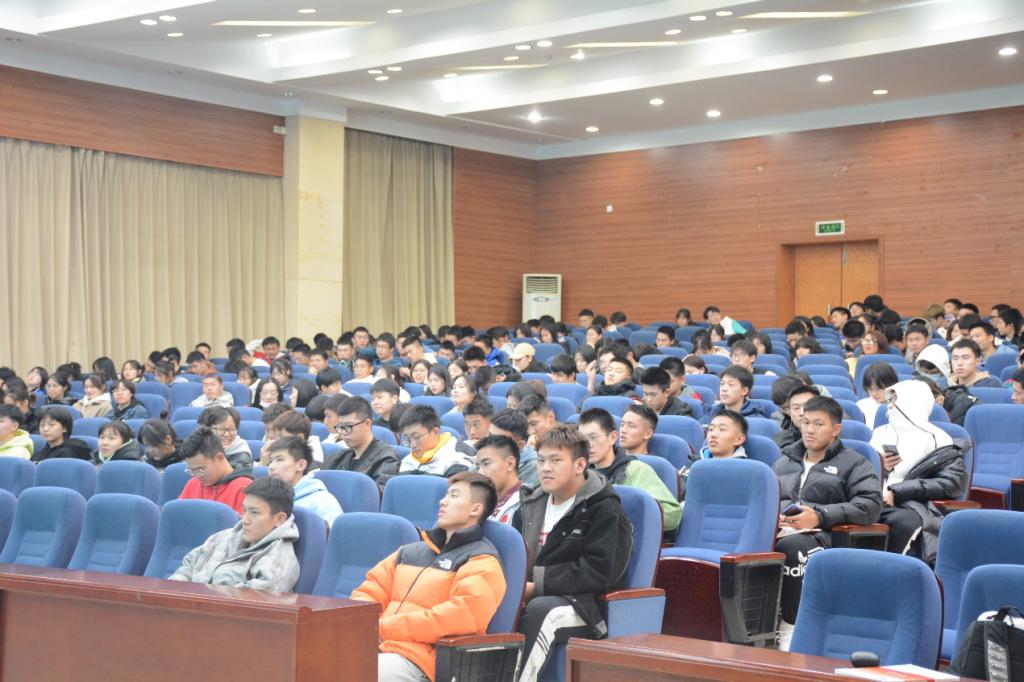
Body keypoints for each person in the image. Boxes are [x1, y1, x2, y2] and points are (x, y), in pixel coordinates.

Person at [352, 472, 505, 682]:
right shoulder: (408, 552)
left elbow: (458, 617)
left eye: (454, 495)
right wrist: (364, 626)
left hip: (424, 661)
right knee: (315, 659)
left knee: (355, 673)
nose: (443, 501)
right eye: (446, 495)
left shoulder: (482, 561)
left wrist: (384, 628)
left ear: (475, 509)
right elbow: (369, 591)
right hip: (374, 646)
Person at [513, 425, 633, 682]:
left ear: (580, 465)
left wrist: (536, 586)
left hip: (582, 603)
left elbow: (598, 571)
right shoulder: (529, 505)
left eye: (556, 460)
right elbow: (514, 557)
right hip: (529, 592)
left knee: (542, 611)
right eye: (541, 460)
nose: (545, 468)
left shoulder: (603, 508)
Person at [773, 397, 881, 646]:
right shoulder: (784, 461)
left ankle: (791, 627)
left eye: (818, 424)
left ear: (836, 429)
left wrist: (820, 515)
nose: (810, 430)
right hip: (780, 530)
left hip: (826, 535)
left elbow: (871, 505)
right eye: (806, 422)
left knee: (792, 548)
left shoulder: (854, 463)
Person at [869, 380, 966, 563]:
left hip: (910, 503)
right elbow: (861, 470)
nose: (889, 406)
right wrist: (881, 467)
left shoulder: (938, 438)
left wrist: (897, 492)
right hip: (871, 499)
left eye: (895, 400)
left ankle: (891, 570)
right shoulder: (880, 433)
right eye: (889, 400)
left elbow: (951, 482)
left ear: (913, 402)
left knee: (906, 522)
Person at [170, 477, 299, 592]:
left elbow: (250, 601)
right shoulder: (224, 536)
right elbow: (189, 564)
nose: (245, 520)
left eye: (254, 513)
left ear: (279, 519)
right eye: (244, 510)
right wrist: (175, 590)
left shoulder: (279, 560)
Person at [577, 406, 681, 530]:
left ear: (613, 437)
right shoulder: (581, 474)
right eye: (582, 440)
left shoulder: (635, 469)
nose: (587, 445)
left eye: (593, 437)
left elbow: (672, 515)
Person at [321, 396, 401, 492]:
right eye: (341, 427)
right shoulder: (336, 458)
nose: (343, 432)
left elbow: (378, 495)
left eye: (348, 426)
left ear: (367, 424)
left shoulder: (387, 458)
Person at [266, 435, 342, 526]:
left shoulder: (323, 502)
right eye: (270, 461)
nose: (271, 467)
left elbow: (331, 534)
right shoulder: (266, 498)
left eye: (279, 460)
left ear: (301, 465)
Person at [178, 426, 254, 515]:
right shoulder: (193, 484)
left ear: (219, 458)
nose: (197, 476)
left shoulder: (244, 487)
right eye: (192, 471)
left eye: (201, 469)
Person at [679, 410, 749, 499]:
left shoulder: (746, 471)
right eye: (711, 429)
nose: (713, 435)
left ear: (739, 439)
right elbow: (677, 494)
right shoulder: (695, 463)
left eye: (722, 429)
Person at [396, 405, 474, 477]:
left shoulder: (458, 460)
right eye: (408, 439)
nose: (412, 445)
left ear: (435, 432)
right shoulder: (408, 461)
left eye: (417, 437)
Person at [945, 339, 1003, 425]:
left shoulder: (991, 385)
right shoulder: (943, 384)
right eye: (955, 358)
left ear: (977, 361)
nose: (959, 363)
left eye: (965, 358)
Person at [472, 435, 524, 525]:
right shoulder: (480, 502)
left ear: (510, 464)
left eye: (486, 464)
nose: (480, 472)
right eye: (478, 467)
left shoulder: (527, 503)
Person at [490, 408, 540, 486]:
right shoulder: (483, 455)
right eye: (489, 436)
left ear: (519, 445)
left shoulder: (533, 468)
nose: (490, 443)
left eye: (499, 441)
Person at [709, 365, 774, 420]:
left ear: (744, 391)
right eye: (722, 384)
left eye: (730, 385)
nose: (724, 389)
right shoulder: (711, 414)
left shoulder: (756, 421)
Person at [772, 382, 819, 451]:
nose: (801, 413)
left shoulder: (831, 436)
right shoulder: (781, 441)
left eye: (807, 406)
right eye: (796, 408)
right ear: (789, 413)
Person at [856, 362, 900, 428]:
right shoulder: (861, 405)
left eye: (879, 388)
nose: (874, 393)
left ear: (892, 385)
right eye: (870, 389)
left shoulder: (902, 407)